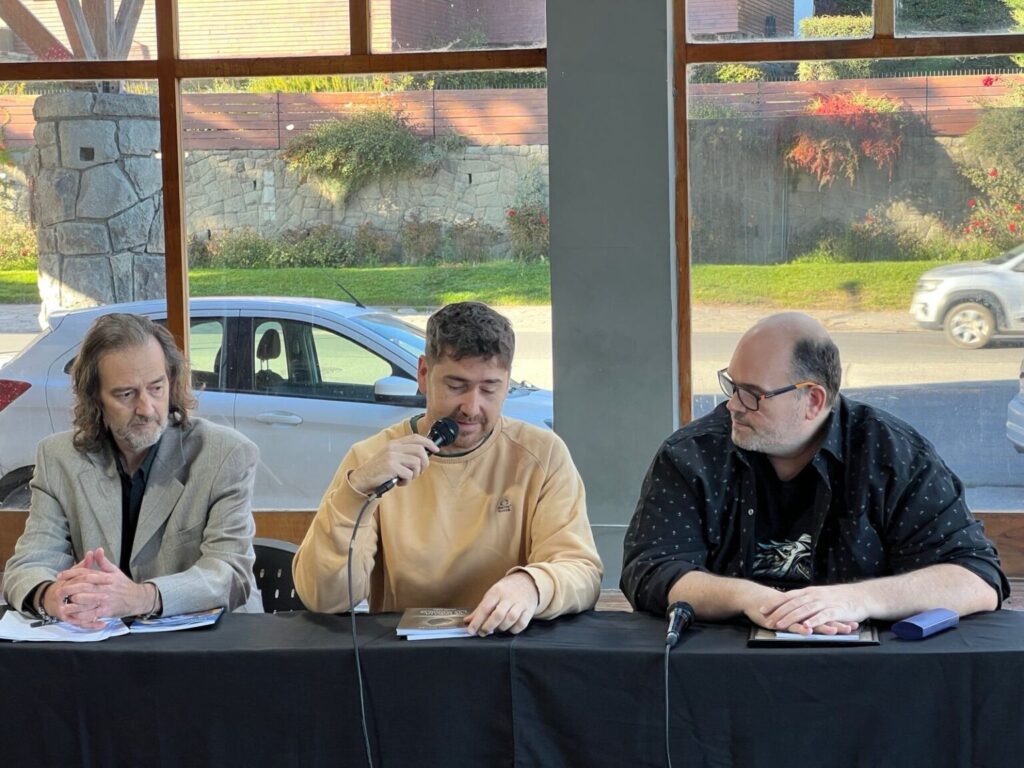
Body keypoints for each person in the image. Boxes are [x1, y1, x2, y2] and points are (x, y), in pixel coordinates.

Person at [621, 312, 1008, 635]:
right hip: (723, 666)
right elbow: (650, 569)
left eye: (752, 394)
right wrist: (752, 598)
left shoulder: (893, 455)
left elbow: (977, 577)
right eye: (732, 386)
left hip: (868, 671)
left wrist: (857, 600)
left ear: (813, 400)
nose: (733, 406)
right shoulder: (692, 455)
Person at [293, 301, 602, 635]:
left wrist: (532, 585)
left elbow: (581, 572)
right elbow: (324, 598)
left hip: (507, 645)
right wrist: (355, 494)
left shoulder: (542, 455)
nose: (471, 407)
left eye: (490, 388)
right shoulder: (371, 460)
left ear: (507, 383)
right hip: (404, 652)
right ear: (423, 374)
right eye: (456, 386)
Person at [3, 313, 262, 627]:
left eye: (156, 388)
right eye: (126, 394)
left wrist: (140, 597)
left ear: (172, 382)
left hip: (212, 644)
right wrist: (51, 595)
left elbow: (230, 575)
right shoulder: (59, 458)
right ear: (95, 398)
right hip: (106, 643)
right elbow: (28, 565)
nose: (146, 408)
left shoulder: (225, 454)